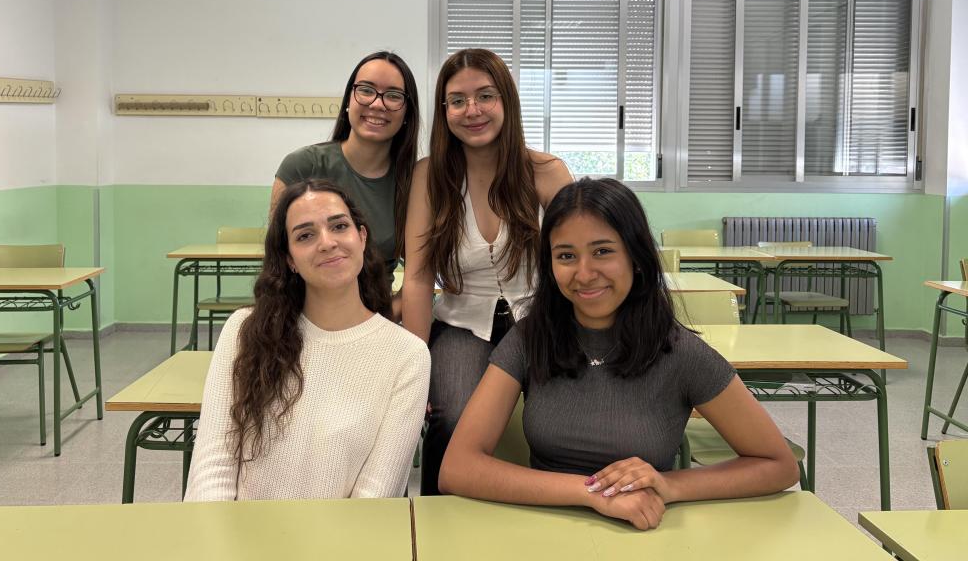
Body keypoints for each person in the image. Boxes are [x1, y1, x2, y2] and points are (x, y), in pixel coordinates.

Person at [437, 178, 799, 529]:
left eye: (603, 251)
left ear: (636, 257)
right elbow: (457, 468)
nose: (584, 273)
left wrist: (670, 486)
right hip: (545, 528)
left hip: (644, 532)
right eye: (566, 256)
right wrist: (593, 493)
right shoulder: (530, 337)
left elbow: (778, 465)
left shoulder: (680, 351)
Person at [185, 179, 430, 501]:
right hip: (240, 543)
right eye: (305, 235)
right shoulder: (244, 330)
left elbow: (375, 495)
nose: (327, 243)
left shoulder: (407, 354)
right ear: (289, 260)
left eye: (339, 226)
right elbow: (212, 469)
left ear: (362, 236)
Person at [403, 48, 574, 495]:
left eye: (485, 96)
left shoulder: (545, 172)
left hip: (540, 319)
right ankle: (444, 519)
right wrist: (415, 367)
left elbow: (582, 261)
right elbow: (419, 278)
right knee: (452, 416)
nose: (472, 110)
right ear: (444, 111)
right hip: (460, 322)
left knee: (557, 424)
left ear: (507, 103)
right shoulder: (428, 177)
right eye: (457, 100)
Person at [272, 51, 420, 280]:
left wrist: (384, 314)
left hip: (377, 309)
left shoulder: (414, 182)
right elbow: (278, 260)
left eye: (393, 95)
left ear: (407, 111)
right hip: (306, 309)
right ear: (348, 100)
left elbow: (419, 275)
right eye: (366, 90)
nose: (377, 104)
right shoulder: (301, 167)